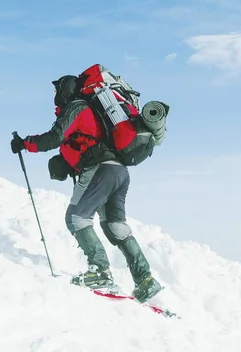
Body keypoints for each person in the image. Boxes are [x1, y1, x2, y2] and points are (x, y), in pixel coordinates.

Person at [10, 74, 163, 303]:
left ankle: (100, 271)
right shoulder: (94, 114)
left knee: (76, 218)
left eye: (56, 91)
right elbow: (78, 144)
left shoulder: (77, 107)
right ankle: (145, 279)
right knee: (115, 226)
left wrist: (24, 143)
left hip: (100, 170)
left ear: (65, 90)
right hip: (119, 172)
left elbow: (54, 137)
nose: (54, 97)